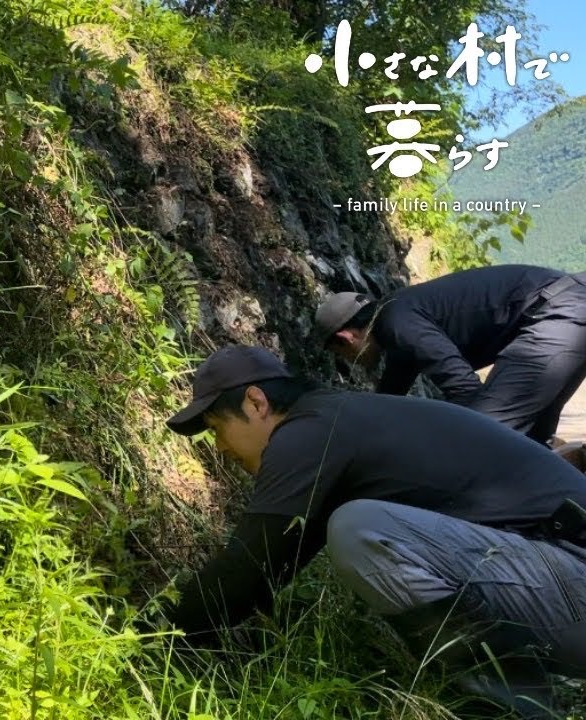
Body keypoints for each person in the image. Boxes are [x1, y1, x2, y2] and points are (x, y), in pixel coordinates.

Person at [161, 345, 586, 719]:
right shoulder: (340, 422)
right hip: (560, 576)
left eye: (217, 428)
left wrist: (155, 635)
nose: (218, 446)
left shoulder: (307, 434)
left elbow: (247, 564)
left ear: (256, 403)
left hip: (572, 570)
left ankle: (509, 709)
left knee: (360, 529)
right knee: (353, 525)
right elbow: (271, 564)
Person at [314, 264, 586, 444]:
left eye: (341, 354)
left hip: (558, 313)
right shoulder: (396, 321)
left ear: (345, 337)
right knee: (533, 439)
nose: (350, 362)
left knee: (481, 436)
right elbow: (388, 399)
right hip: (570, 307)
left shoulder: (396, 324)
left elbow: (465, 388)